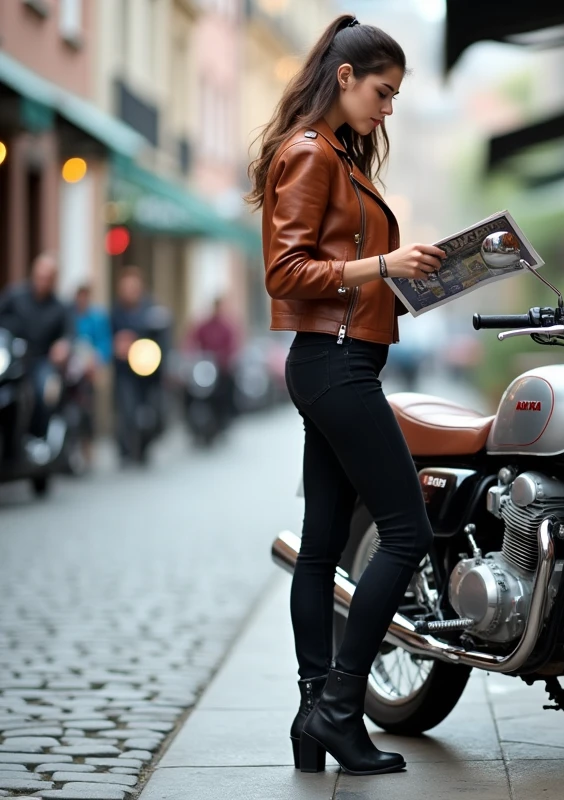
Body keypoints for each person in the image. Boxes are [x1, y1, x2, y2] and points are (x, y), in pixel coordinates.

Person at [245, 14, 445, 777]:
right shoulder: (309, 153)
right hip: (335, 364)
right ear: (345, 78)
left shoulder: (334, 154)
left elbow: (338, 267)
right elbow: (285, 271)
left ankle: (312, 719)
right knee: (407, 533)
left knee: (323, 544)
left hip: (338, 358)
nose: (387, 110)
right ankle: (338, 707)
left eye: (396, 97)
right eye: (382, 93)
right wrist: (385, 266)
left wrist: (411, 276)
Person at [0, 253, 73, 438]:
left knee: (43, 392)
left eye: (48, 278)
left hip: (41, 360)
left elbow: (68, 335)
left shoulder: (60, 308)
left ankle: (36, 437)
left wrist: (63, 346)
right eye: (40, 276)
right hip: (12, 359)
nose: (42, 281)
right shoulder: (14, 296)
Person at [110, 267, 170, 464]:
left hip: (150, 371)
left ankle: (145, 446)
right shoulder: (116, 313)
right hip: (125, 370)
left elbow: (163, 335)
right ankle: (126, 449)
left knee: (155, 408)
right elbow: (108, 338)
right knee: (126, 409)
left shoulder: (151, 309)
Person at [71, 283, 112, 466]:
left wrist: (96, 360)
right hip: (70, 373)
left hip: (88, 373)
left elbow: (104, 343)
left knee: (88, 410)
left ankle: (87, 445)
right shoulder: (69, 316)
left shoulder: (97, 318)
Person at [186, 296, 240, 424]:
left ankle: (229, 413)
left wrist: (224, 358)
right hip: (205, 366)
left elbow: (232, 346)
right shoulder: (204, 326)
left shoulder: (227, 327)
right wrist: (191, 355)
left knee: (228, 384)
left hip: (221, 368)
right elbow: (191, 341)